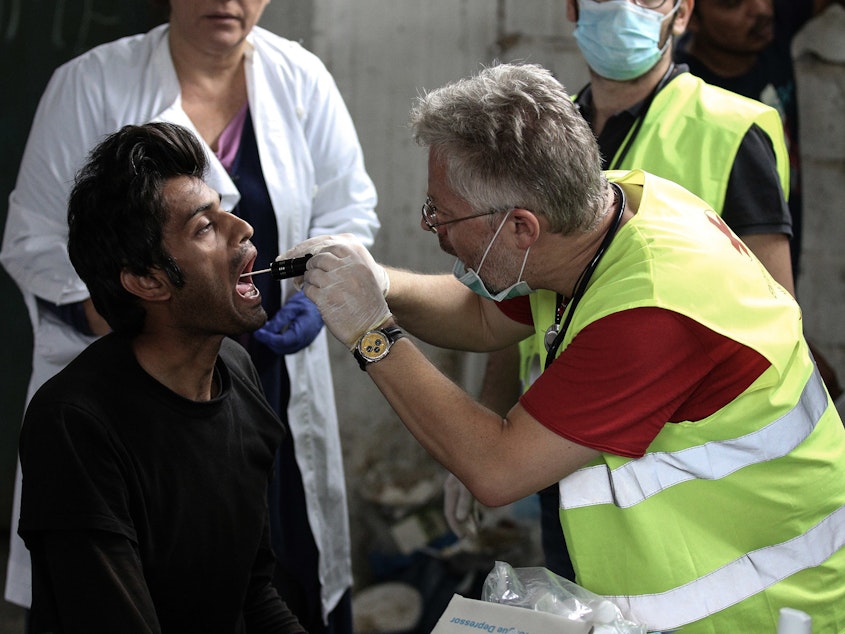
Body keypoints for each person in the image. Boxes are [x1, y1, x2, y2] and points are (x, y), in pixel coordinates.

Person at [281, 63, 845, 632]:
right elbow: (480, 317)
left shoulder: (651, 311)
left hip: (765, 608)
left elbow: (497, 469)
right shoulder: (605, 209)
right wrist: (376, 280)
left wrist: (373, 334)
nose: (436, 232)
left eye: (442, 217)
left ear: (522, 228)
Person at [0, 1, 379, 631]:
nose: (227, 1)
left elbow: (348, 213)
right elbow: (33, 242)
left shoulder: (301, 78)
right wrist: (152, 333)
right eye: (205, 224)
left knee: (268, 561)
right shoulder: (90, 83)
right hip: (151, 377)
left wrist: (311, 295)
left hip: (254, 374)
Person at [456, 0, 807, 582]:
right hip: (554, 447)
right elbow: (512, 302)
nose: (621, 7)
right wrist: (490, 420)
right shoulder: (540, 134)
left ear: (682, 13)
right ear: (571, 10)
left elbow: (774, 318)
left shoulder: (727, 127)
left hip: (680, 466)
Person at [17, 121, 306, 633]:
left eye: (224, 212)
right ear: (147, 281)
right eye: (204, 227)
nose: (244, 229)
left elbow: (254, 594)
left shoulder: (236, 373)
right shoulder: (75, 424)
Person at [675, 0, 844, 277]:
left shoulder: (771, 31)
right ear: (689, 15)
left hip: (785, 253)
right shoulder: (681, 94)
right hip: (722, 279)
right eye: (732, 4)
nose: (761, 9)